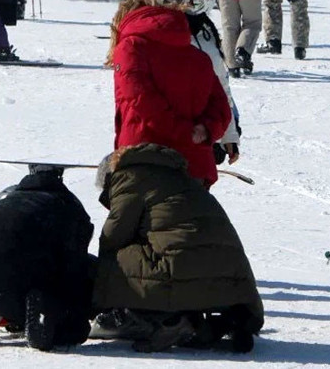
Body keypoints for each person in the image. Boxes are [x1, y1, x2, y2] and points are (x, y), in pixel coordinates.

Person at [91, 144, 264, 353]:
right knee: (174, 251)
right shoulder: (179, 177)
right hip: (236, 283)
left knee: (116, 261)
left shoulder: (129, 179)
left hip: (186, 268)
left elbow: (113, 237)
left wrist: (100, 283)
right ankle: (214, 325)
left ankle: (166, 321)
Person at [0, 167, 95, 350]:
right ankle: (44, 320)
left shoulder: (0, 208)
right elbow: (74, 264)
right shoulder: (68, 208)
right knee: (71, 320)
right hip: (26, 287)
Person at [106, 0, 231, 186]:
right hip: (194, 164)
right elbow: (221, 107)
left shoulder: (131, 47)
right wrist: (204, 131)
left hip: (146, 161)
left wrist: (183, 133)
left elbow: (140, 100)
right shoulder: (198, 56)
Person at [158, 0, 242, 164]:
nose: (201, 11)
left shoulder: (206, 33)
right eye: (194, 4)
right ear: (172, 0)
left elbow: (221, 85)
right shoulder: (162, 34)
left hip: (206, 132)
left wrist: (228, 134)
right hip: (171, 136)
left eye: (208, 3)